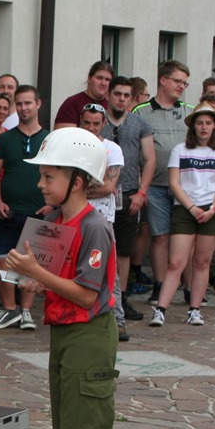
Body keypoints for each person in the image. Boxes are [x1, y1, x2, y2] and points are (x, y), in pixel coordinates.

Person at [4, 127, 118, 429]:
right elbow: (63, 283)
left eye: (49, 176)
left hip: (89, 337)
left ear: (77, 180)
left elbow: (87, 295)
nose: (40, 184)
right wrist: (36, 279)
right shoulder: (58, 221)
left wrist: (37, 273)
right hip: (68, 335)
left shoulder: (94, 226)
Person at [149, 104, 215, 327]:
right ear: (193, 126)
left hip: (212, 209)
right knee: (176, 262)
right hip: (185, 209)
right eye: (199, 123)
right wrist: (191, 207)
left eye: (208, 123)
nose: (204, 127)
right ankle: (160, 310)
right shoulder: (180, 150)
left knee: (202, 262)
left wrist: (212, 209)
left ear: (214, 126)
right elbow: (174, 183)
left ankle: (195, 309)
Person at [0, 84, 50, 330]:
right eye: (20, 103)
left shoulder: (49, 139)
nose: (24, 108)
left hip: (38, 211)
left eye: (28, 103)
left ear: (38, 104)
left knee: (32, 263)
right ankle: (9, 308)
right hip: (7, 211)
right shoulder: (4, 139)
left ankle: (26, 311)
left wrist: (51, 204)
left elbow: (58, 175)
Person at [133, 60, 192, 305]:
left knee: (186, 238)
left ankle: (189, 288)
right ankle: (159, 285)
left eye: (185, 83)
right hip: (155, 185)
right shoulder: (141, 111)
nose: (181, 86)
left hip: (186, 187)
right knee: (159, 236)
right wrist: (140, 185)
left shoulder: (190, 111)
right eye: (177, 81)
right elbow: (133, 149)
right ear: (163, 80)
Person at [101, 76, 155, 331]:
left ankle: (120, 298)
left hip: (129, 193)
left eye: (126, 95)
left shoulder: (140, 123)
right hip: (100, 193)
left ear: (132, 98)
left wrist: (142, 192)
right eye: (117, 94)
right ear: (109, 95)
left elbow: (150, 159)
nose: (121, 99)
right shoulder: (97, 121)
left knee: (123, 250)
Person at [80, 104, 125, 340]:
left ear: (104, 124)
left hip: (103, 218)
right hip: (75, 215)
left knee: (108, 269)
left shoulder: (112, 149)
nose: (91, 128)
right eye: (87, 123)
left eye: (96, 123)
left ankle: (118, 319)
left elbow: (108, 187)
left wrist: (79, 190)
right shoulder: (74, 146)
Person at [53, 61, 113, 129]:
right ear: (89, 78)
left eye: (107, 80)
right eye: (99, 78)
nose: (103, 83)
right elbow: (64, 134)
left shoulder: (113, 105)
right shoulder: (72, 103)